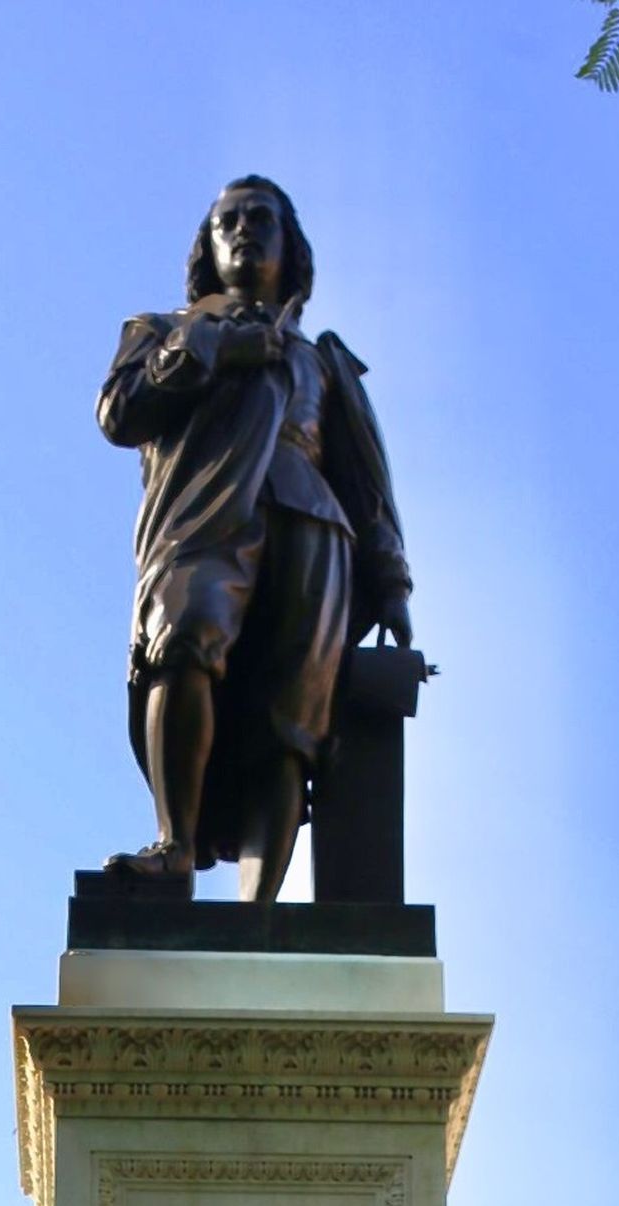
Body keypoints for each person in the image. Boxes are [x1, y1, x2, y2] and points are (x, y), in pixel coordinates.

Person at [97, 177, 414, 902]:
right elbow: (119, 415)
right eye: (228, 220)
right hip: (205, 513)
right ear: (207, 247)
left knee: (291, 717)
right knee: (185, 633)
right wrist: (206, 353)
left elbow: (365, 479)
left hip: (312, 526)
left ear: (289, 245)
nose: (245, 230)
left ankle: (259, 911)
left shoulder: (323, 359)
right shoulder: (162, 331)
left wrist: (391, 582)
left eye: (261, 218)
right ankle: (175, 844)